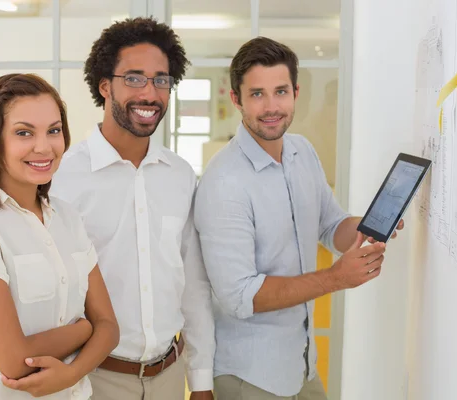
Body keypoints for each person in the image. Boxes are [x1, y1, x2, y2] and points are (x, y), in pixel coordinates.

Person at [194, 37, 402, 400]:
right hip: (250, 376)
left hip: (302, 364)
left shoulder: (302, 151)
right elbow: (240, 296)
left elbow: (330, 225)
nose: (271, 106)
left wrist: (369, 225)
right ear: (236, 98)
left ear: (296, 92)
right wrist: (336, 278)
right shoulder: (224, 182)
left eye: (280, 91)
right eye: (257, 94)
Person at [50, 17, 215, 400]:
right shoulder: (62, 178)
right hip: (93, 378)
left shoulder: (179, 175)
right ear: (105, 85)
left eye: (161, 79)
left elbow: (192, 284)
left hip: (170, 376)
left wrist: (201, 380)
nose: (151, 93)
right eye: (135, 78)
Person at [0, 73, 119, 399]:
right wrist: (84, 329)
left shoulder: (68, 217)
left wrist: (71, 373)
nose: (44, 146)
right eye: (23, 133)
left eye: (54, 130)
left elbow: (110, 328)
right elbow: (15, 361)